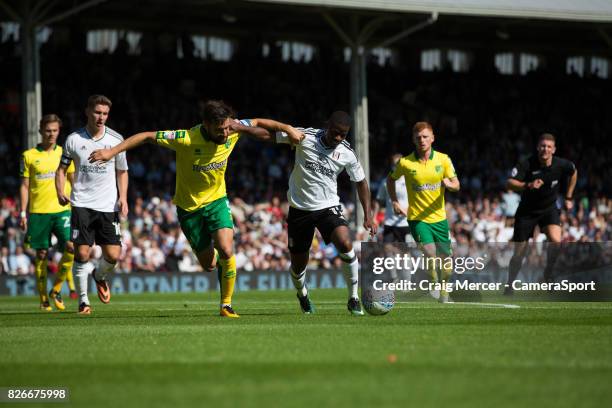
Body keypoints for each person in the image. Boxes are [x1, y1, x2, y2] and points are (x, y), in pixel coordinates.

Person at [88, 100, 275, 318]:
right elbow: (148, 136)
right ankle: (221, 264)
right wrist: (113, 152)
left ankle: (226, 305)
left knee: (226, 249)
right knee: (210, 264)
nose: (224, 133)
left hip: (217, 200)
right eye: (219, 129)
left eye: (226, 128)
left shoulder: (233, 129)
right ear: (206, 125)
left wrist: (250, 127)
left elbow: (264, 132)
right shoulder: (185, 138)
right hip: (189, 209)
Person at [249, 111, 377, 316]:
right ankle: (303, 295)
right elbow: (269, 135)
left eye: (343, 135)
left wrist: (368, 215)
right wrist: (241, 129)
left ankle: (353, 298)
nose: (338, 138)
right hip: (299, 209)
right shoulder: (304, 136)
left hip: (328, 207)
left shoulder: (347, 153)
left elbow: (361, 182)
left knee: (345, 242)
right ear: (327, 126)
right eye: (335, 132)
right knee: (298, 265)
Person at [55, 95, 129, 315]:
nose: (101, 117)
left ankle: (99, 276)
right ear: (87, 111)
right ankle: (84, 302)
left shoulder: (116, 140)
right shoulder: (73, 140)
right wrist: (60, 190)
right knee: (82, 254)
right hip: (81, 203)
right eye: (97, 112)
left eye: (105, 114)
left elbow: (122, 171)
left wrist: (123, 197)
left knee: (113, 255)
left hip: (107, 205)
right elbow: (61, 169)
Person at [386, 121, 460, 303]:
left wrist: (450, 185)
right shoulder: (405, 163)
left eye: (425, 136)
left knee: (447, 262)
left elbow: (457, 184)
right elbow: (390, 180)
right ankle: (433, 281)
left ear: (432, 138)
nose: (422, 140)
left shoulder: (443, 160)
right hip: (417, 218)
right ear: (413, 139)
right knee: (429, 252)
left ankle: (444, 290)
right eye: (418, 137)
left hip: (439, 219)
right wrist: (395, 201)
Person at [504, 133, 577, 294]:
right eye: (543, 146)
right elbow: (509, 182)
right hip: (527, 212)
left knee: (556, 241)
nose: (545, 149)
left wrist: (569, 196)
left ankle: (548, 273)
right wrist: (527, 185)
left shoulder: (561, 165)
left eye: (549, 146)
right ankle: (510, 285)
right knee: (519, 253)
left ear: (554, 149)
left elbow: (574, 172)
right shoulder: (526, 163)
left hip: (548, 209)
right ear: (538, 147)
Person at [20, 114, 77, 311]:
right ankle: (44, 298)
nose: (51, 134)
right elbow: (25, 186)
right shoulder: (29, 155)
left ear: (59, 131)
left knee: (72, 248)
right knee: (42, 254)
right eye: (48, 130)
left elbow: (72, 180)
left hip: (63, 210)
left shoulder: (65, 153)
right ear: (41, 131)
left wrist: (78, 205)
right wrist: (22, 213)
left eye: (55, 130)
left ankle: (57, 288)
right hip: (38, 212)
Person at [376, 153, 410, 243]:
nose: (396, 166)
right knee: (386, 249)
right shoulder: (385, 182)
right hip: (389, 223)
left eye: (398, 164)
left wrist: (406, 210)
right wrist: (375, 217)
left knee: (406, 253)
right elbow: (379, 200)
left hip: (406, 223)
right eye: (394, 164)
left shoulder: (410, 181)